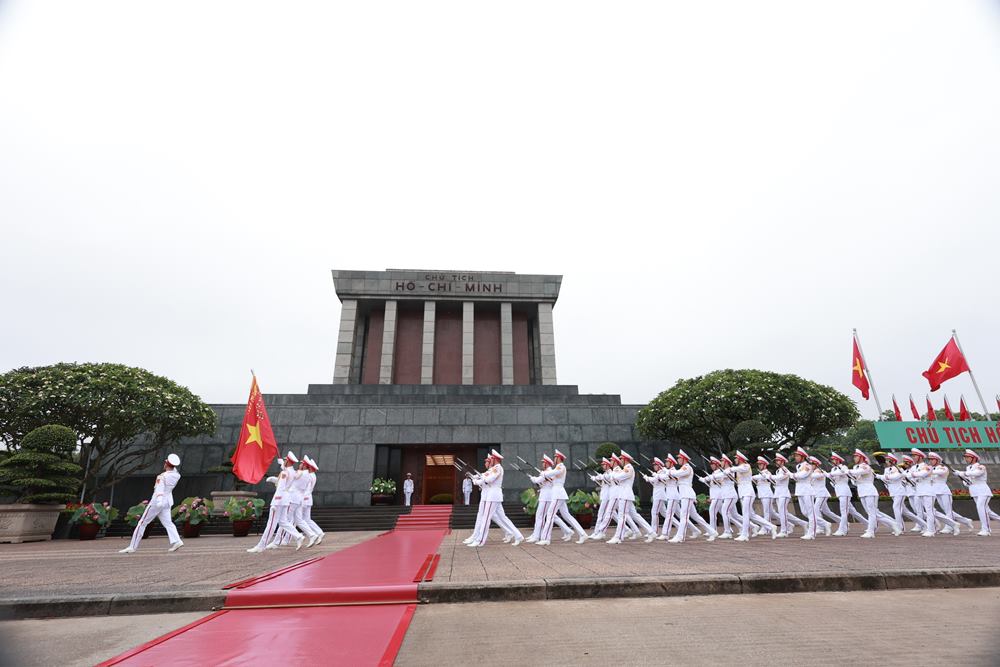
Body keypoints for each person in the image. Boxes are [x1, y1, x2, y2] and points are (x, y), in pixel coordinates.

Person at [119, 454, 184, 554]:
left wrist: (158, 501)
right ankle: (177, 541)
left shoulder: (162, 476)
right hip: (168, 501)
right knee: (168, 523)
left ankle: (132, 546)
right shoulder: (176, 475)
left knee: (142, 523)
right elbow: (171, 475)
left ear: (166, 464)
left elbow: (159, 489)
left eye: (165, 463)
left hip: (158, 502)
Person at [469, 450, 523, 547]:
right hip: (493, 495)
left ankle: (480, 540)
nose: (490, 461)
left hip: (493, 496)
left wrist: (477, 482)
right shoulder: (493, 468)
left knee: (486, 518)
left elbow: (489, 479)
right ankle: (518, 535)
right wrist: (476, 478)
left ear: (495, 460)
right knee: (503, 518)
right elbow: (485, 475)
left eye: (492, 459)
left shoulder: (498, 468)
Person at [538, 449, 588, 544]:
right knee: (567, 516)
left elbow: (553, 473)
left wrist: (544, 473)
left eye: (555, 457)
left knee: (550, 515)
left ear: (558, 458)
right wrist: (544, 476)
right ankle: (582, 534)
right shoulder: (557, 467)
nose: (554, 459)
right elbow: (551, 477)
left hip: (558, 494)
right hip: (557, 493)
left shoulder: (561, 467)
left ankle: (545, 539)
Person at [264, 452, 305, 551]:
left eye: (303, 463)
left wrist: (276, 502)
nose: (300, 464)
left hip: (288, 498)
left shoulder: (299, 473)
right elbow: (288, 471)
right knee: (286, 521)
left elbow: (283, 484)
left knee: (287, 521)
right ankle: (294, 537)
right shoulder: (292, 471)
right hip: (291, 498)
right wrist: (282, 464)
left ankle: (278, 541)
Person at [732, 451, 776, 541]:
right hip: (743, 493)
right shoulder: (739, 467)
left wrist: (730, 469)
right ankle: (771, 526)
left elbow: (739, 469)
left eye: (736, 458)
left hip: (747, 492)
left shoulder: (745, 466)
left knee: (745, 514)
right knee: (751, 515)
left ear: (740, 459)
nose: (735, 459)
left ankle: (744, 535)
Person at [928, 452, 974, 535]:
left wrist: (929, 471)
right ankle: (966, 521)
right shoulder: (931, 468)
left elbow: (940, 472)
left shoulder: (943, 468)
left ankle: (949, 527)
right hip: (935, 492)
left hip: (944, 491)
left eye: (932, 459)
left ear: (937, 460)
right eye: (929, 459)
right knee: (947, 511)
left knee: (948, 511)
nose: (930, 461)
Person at [955, 449, 995, 536]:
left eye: (968, 457)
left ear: (974, 458)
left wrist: (962, 473)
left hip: (983, 491)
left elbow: (976, 473)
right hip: (974, 491)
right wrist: (964, 481)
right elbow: (969, 482)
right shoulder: (968, 468)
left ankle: (986, 529)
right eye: (966, 457)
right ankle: (987, 528)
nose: (966, 459)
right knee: (986, 510)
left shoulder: (980, 466)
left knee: (981, 508)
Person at [771, 453, 808, 537]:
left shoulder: (784, 469)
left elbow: (780, 478)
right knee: (784, 513)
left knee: (782, 512)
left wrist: (770, 476)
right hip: (778, 493)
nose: (776, 462)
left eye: (778, 461)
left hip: (784, 493)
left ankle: (784, 531)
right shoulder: (778, 470)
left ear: (782, 462)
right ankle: (803, 523)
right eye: (776, 461)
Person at [825, 453, 852, 536]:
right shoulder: (833, 469)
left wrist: (830, 474)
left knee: (844, 512)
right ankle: (845, 529)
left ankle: (842, 530)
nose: (832, 461)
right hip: (839, 491)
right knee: (843, 511)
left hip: (845, 491)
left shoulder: (843, 467)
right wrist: (827, 474)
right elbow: (832, 476)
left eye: (833, 460)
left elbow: (839, 473)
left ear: (838, 460)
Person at [299, 455, 324, 545]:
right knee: (306, 519)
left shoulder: (309, 476)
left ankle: (312, 534)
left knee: (299, 519)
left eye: (303, 464)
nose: (301, 465)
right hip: (308, 499)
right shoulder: (312, 475)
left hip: (304, 499)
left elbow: (305, 489)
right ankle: (318, 532)